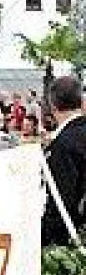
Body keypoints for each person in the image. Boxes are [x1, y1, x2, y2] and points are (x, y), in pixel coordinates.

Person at [42, 75, 86, 247]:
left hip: (74, 239)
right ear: (81, 101)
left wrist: (43, 239)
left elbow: (61, 203)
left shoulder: (63, 145)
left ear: (52, 104)